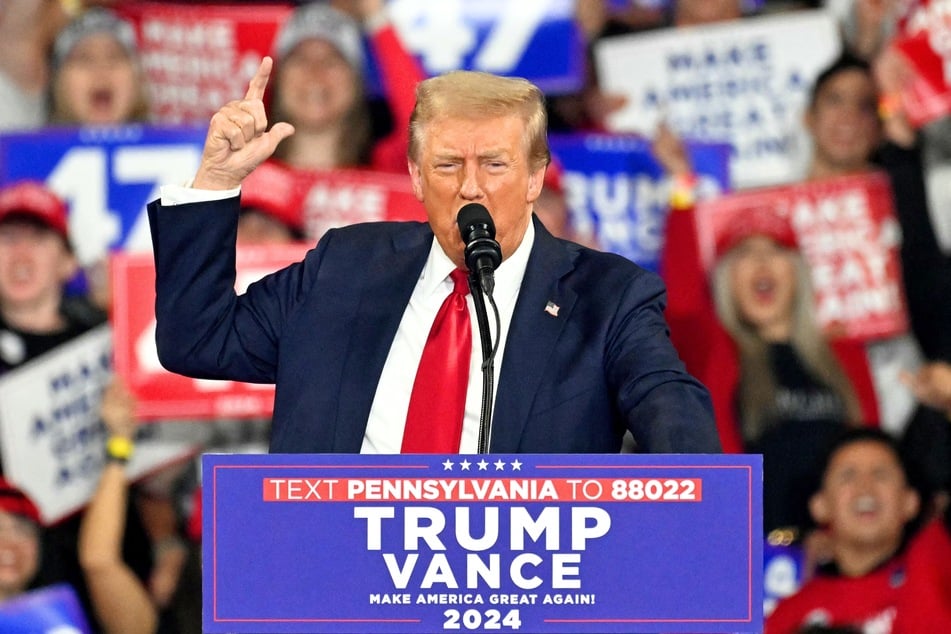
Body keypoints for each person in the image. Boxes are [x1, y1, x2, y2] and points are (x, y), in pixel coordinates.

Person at [146, 58, 720, 456]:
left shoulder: (607, 297)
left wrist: (697, 505)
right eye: (448, 165)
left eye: (494, 164)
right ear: (417, 177)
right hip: (336, 589)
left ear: (535, 178)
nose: (471, 187)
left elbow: (667, 403)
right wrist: (216, 180)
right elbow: (197, 338)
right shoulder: (346, 267)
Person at [765, 427, 951, 632]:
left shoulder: (935, 568)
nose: (865, 488)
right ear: (820, 506)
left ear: (910, 501)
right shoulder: (791, 615)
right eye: (848, 475)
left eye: (880, 474)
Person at [268, 0, 423, 173]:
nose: (315, 72)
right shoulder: (245, 177)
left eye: (332, 61)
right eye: (300, 59)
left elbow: (427, 129)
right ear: (277, 79)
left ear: (357, 84)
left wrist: (376, 18)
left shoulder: (386, 172)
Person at [48, 7, 149, 126]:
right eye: (84, 58)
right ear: (59, 82)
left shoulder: (168, 143)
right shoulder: (34, 143)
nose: (101, 70)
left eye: (114, 57)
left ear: (138, 79)